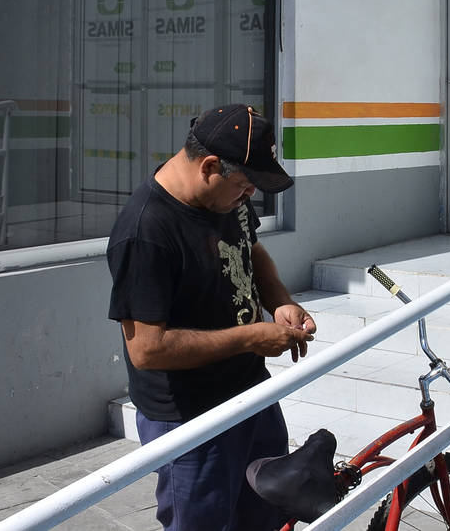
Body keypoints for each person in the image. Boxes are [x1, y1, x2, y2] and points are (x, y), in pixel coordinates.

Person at [107, 103, 316, 531]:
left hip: (251, 394)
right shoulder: (146, 231)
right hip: (191, 419)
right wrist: (251, 338)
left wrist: (279, 302)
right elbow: (147, 349)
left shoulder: (227, 198)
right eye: (244, 186)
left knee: (267, 514)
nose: (250, 196)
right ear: (209, 167)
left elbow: (251, 249)